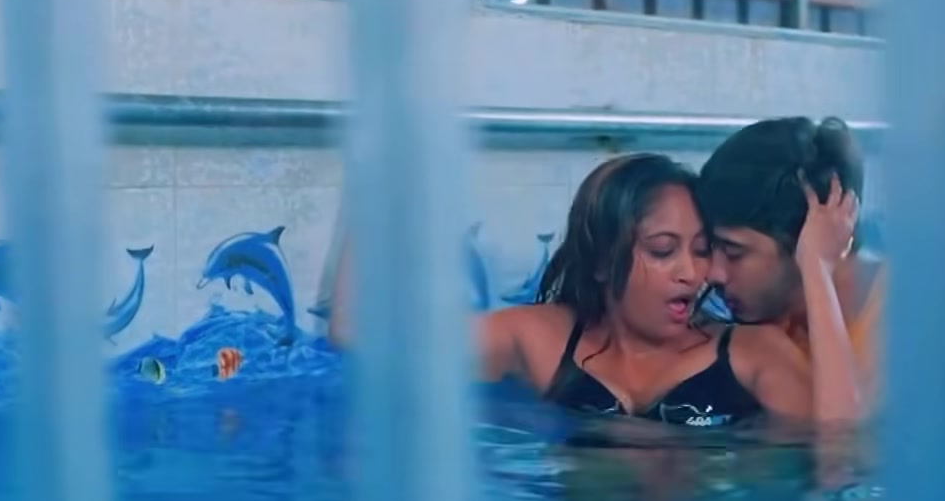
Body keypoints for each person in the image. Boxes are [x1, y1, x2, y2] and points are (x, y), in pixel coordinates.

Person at [329, 152, 837, 427]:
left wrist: (817, 268)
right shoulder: (540, 339)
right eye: (663, 250)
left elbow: (839, 450)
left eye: (702, 249)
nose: (692, 272)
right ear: (600, 261)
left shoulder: (752, 353)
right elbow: (358, 333)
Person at [696, 117, 881, 415]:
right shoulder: (757, 317)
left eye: (734, 253)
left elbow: (841, 436)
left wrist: (817, 267)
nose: (713, 273)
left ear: (805, 241)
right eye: (709, 248)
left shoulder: (911, 317)